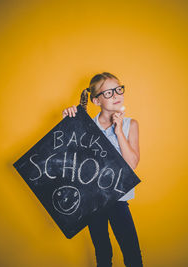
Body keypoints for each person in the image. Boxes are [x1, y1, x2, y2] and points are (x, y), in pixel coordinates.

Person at [62, 72, 143, 267]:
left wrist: (118, 131)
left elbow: (132, 164)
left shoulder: (130, 124)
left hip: (118, 199)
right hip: (93, 200)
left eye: (118, 90)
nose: (116, 95)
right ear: (96, 100)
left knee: (132, 253)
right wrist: (68, 123)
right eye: (108, 93)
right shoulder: (85, 125)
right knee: (103, 253)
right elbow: (70, 159)